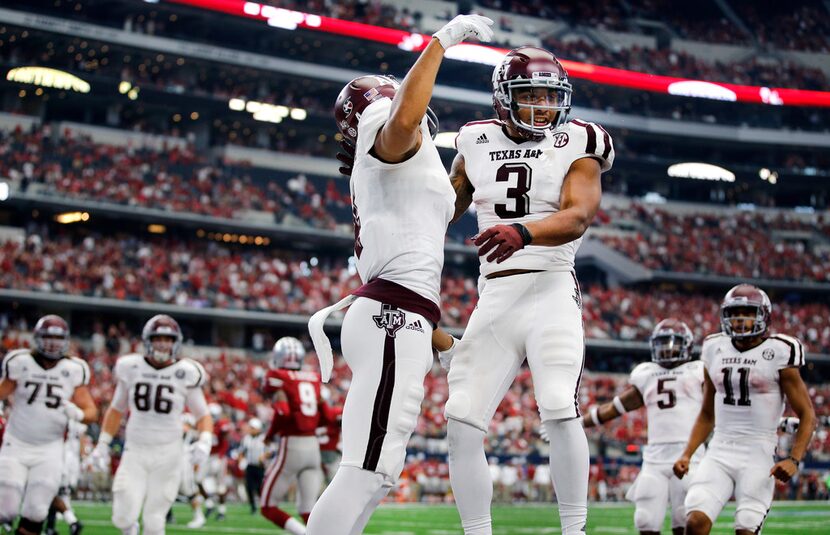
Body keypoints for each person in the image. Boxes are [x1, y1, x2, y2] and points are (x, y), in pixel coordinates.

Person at [305, 14, 494, 534]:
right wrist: (442, 41)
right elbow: (404, 121)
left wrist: (441, 339)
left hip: (399, 316)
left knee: (379, 471)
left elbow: (427, 227)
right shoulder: (389, 139)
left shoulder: (404, 170)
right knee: (364, 469)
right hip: (391, 317)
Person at [442, 45, 614, 534]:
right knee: (461, 417)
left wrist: (524, 231)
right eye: (530, 95)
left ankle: (573, 530)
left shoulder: (579, 140)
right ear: (502, 98)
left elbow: (579, 215)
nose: (543, 106)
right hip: (494, 295)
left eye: (549, 95)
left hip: (550, 287)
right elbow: (443, 207)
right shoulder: (473, 140)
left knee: (560, 404)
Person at [673, 284, 816, 535]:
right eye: (735, 312)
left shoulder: (780, 351)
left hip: (757, 452)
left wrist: (794, 459)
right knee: (695, 523)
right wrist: (687, 453)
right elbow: (707, 412)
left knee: (746, 530)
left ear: (763, 315)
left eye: (748, 313)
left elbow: (807, 415)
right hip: (720, 450)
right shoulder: (714, 347)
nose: (740, 319)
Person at [87, 314, 214, 535]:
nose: (163, 344)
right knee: (122, 515)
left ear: (176, 342)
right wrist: (102, 444)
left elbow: (203, 414)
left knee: (155, 521)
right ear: (148, 340)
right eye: (158, 338)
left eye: (168, 339)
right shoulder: (131, 366)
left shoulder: (186, 372)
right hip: (135, 449)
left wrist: (205, 440)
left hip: (168, 454)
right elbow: (116, 409)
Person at [583, 319, 703, 535]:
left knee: (685, 519)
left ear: (687, 346)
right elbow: (613, 408)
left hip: (689, 455)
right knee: (645, 519)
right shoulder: (646, 375)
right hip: (654, 458)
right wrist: (577, 423)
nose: (668, 349)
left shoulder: (698, 372)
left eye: (674, 343)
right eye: (663, 343)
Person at [0, 315, 97, 535]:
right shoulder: (20, 362)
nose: (52, 343)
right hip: (16, 443)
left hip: (49, 448)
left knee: (36, 510)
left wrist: (78, 413)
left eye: (57, 338)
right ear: (37, 338)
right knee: (5, 508)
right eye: (48, 337)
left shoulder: (73, 369)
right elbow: (2, 391)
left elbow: (91, 412)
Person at [259, 337, 331, 534]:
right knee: (308, 509)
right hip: (313, 448)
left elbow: (283, 412)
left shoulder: (277, 376)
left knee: (267, 506)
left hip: (292, 445)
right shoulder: (313, 378)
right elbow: (325, 416)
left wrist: (270, 434)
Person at [45, 419, 88, 535]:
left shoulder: (63, 417)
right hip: (70, 458)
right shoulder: (76, 419)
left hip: (62, 456)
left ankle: (70, 522)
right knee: (56, 493)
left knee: (53, 493)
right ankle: (54, 526)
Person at [238, 418, 266, 516]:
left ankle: (264, 506)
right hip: (250, 466)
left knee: (260, 488)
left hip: (260, 467)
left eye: (253, 428)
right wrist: (241, 460)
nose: (251, 430)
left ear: (258, 429)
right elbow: (241, 451)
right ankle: (253, 506)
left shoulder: (264, 438)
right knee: (249, 487)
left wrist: (264, 456)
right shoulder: (246, 439)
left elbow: (271, 450)